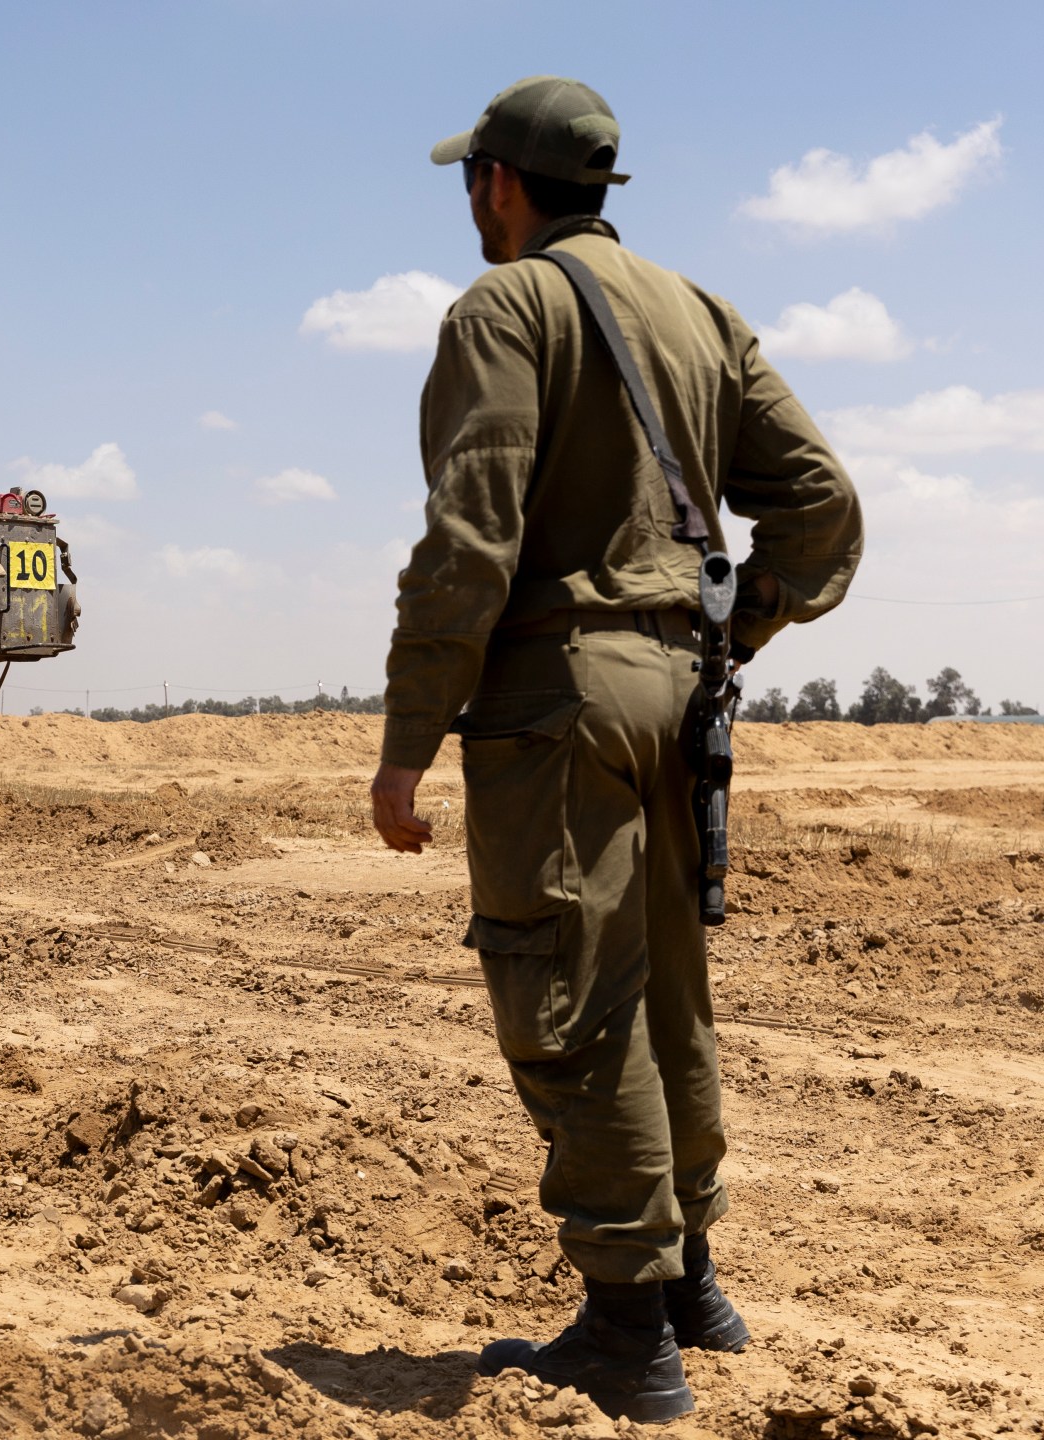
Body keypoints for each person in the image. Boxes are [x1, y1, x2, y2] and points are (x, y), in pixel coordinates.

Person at [368, 76, 862, 1423]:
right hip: (684, 695)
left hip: (557, 701)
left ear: (500, 183)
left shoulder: (504, 308)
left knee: (572, 998)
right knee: (666, 992)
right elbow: (823, 506)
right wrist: (738, 627)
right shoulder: (702, 314)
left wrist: (409, 738)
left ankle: (628, 1331)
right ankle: (693, 1282)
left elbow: (472, 533)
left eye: (471, 179)